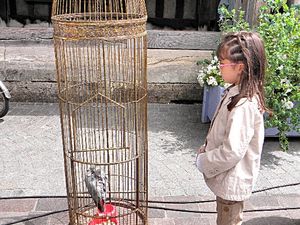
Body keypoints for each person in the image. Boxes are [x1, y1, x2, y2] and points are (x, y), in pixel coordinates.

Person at [196, 31, 270, 225]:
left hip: (233, 180)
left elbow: (231, 152)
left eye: (222, 62)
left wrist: (204, 161)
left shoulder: (244, 104)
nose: (219, 67)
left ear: (239, 67)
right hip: (229, 178)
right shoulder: (236, 91)